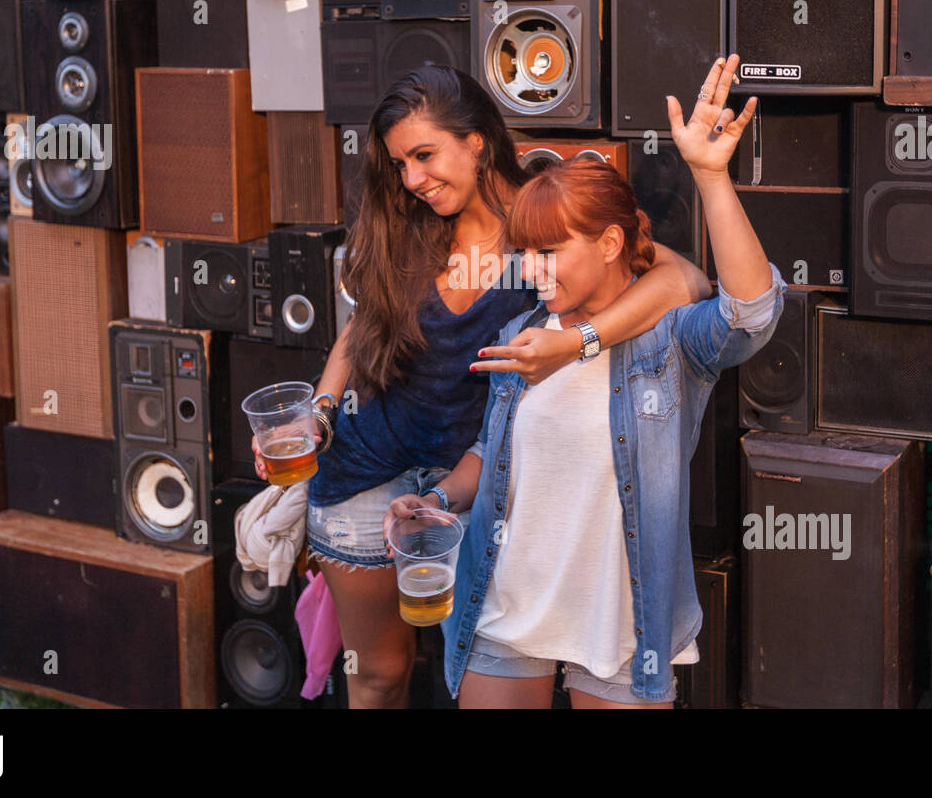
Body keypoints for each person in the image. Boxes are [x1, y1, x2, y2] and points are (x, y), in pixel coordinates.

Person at [254, 65, 713, 708]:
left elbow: (684, 282)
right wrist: (320, 415)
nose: (411, 179)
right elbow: (363, 329)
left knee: (472, 659)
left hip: (473, 480)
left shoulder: (542, 219)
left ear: (475, 142)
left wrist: (581, 340)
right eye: (400, 164)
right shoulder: (402, 225)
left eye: (423, 155)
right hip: (365, 472)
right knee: (378, 676)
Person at [384, 54, 786, 708]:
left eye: (550, 251)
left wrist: (711, 176)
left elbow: (753, 311)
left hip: (620, 618)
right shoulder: (527, 329)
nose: (533, 271)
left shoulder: (670, 342)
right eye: (526, 253)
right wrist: (440, 499)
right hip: (507, 595)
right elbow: (496, 451)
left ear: (607, 243)